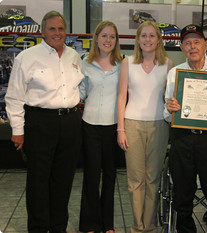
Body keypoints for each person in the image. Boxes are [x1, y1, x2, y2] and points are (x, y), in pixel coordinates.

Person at [5, 11, 84, 233]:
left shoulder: (74, 56)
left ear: (65, 31)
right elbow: (14, 97)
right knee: (38, 180)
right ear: (42, 31)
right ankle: (39, 228)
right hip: (40, 123)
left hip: (70, 123)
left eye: (60, 28)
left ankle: (58, 226)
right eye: (52, 28)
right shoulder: (27, 57)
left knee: (64, 179)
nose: (57, 33)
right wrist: (18, 130)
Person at [165, 24, 207, 233]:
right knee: (182, 195)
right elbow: (167, 113)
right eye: (187, 43)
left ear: (205, 44)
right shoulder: (175, 73)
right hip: (183, 138)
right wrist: (170, 108)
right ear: (182, 48)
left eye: (196, 42)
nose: (192, 47)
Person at [117, 20, 174, 233]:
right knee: (135, 180)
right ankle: (137, 226)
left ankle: (149, 226)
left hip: (159, 126)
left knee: (153, 179)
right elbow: (122, 96)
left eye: (152, 35)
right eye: (144, 35)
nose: (148, 39)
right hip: (131, 125)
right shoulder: (128, 62)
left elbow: (170, 98)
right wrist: (120, 129)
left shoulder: (167, 64)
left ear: (159, 39)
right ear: (138, 39)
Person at [78, 21, 123, 233]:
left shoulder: (123, 66)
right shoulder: (84, 63)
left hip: (113, 126)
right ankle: (89, 224)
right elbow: (80, 93)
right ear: (96, 38)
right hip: (90, 126)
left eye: (112, 37)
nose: (108, 40)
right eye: (104, 36)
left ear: (116, 41)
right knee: (92, 175)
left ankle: (107, 225)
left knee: (110, 175)